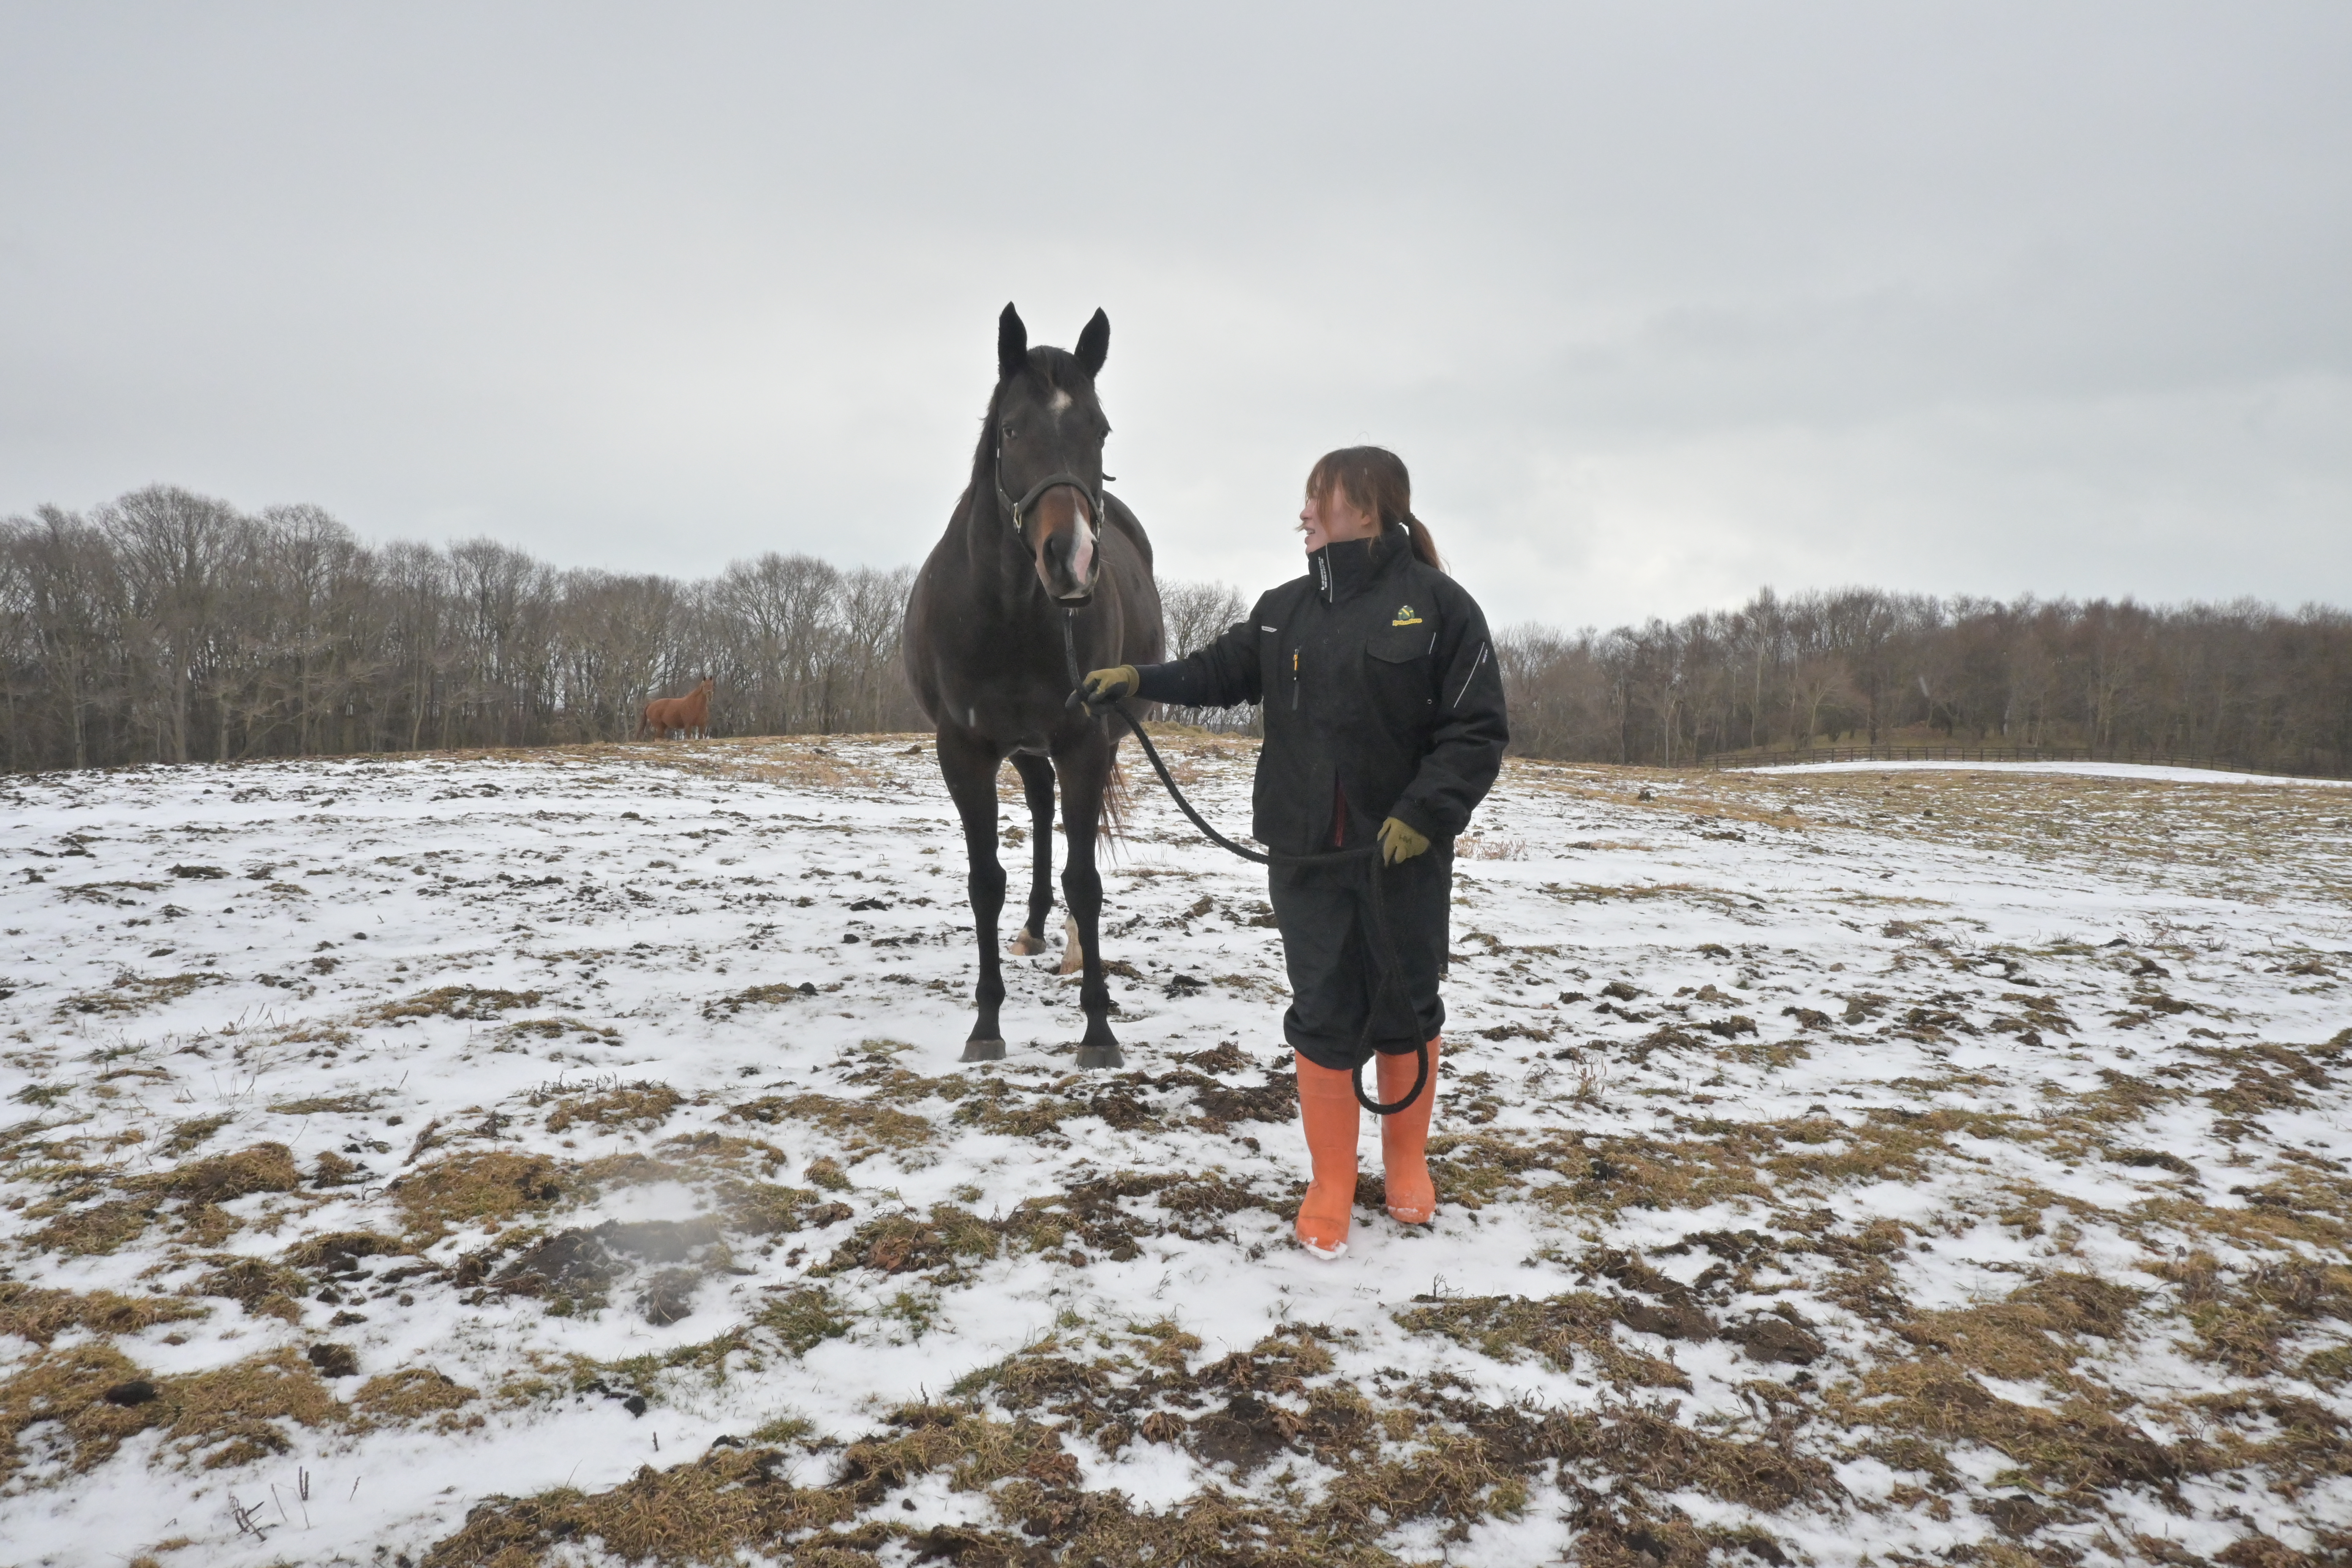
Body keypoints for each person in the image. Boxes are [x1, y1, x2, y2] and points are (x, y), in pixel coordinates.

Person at [1082, 446, 1508, 1258]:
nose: (1305, 513)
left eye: (1319, 499)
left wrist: (1425, 814)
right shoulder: (1283, 611)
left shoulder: (1440, 608)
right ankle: (1331, 1182)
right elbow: (1218, 673)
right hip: (1305, 855)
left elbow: (1477, 729)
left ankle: (1406, 1163)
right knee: (1322, 1009)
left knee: (1407, 1002)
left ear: (1368, 508)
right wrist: (1138, 678)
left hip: (1403, 859)